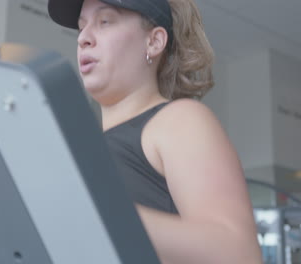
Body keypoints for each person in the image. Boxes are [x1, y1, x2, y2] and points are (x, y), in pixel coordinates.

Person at [48, 0, 262, 263]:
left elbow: (238, 253)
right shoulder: (86, 152)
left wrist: (97, 214)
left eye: (105, 21)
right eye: (82, 27)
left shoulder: (178, 120)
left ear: (154, 42)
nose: (84, 38)